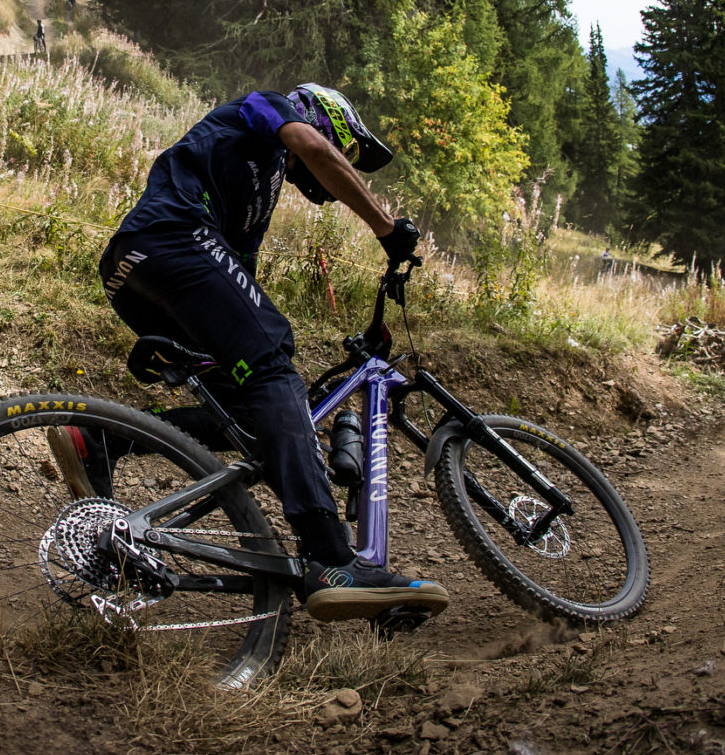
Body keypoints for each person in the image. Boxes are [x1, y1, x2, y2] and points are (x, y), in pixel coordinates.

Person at [50, 84, 450, 622]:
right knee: (272, 366)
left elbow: (237, 281)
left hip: (135, 271)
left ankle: (101, 438)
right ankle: (332, 558)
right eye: (349, 148)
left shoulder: (257, 195)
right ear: (323, 118)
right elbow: (314, 147)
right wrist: (386, 227)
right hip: (172, 237)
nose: (344, 162)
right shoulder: (266, 106)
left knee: (247, 415)